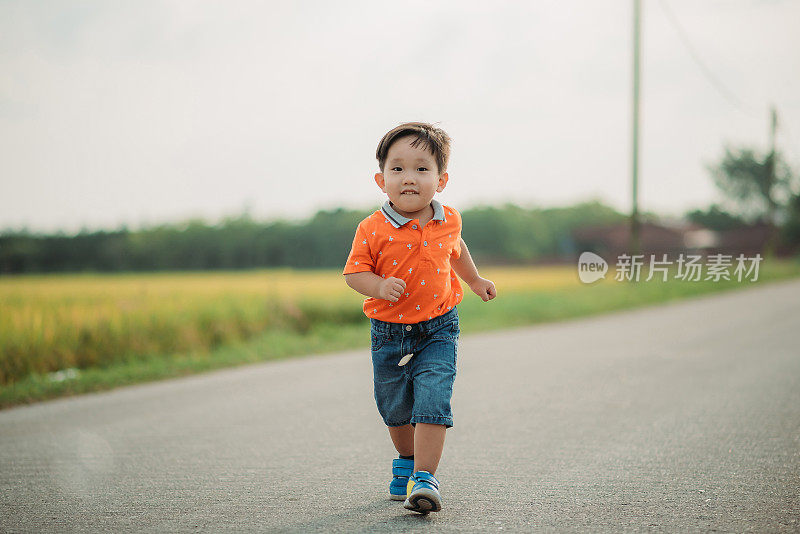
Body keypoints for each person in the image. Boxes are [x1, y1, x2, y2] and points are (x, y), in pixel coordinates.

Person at [342, 122, 496, 514]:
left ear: (441, 179)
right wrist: (377, 286)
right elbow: (354, 273)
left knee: (433, 398)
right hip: (389, 333)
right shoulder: (371, 228)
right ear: (381, 179)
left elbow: (456, 250)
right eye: (398, 169)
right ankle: (407, 462)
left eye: (422, 168)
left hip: (439, 327)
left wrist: (474, 280)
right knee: (394, 407)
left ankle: (425, 478)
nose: (409, 178)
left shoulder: (450, 219)